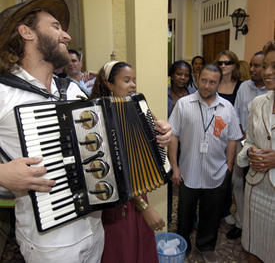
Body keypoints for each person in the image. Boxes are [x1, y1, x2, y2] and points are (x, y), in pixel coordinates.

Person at [0, 0, 104, 262]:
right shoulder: (3, 93)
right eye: (56, 26)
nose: (66, 36)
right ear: (26, 32)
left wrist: (150, 134)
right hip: (50, 244)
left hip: (95, 228)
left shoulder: (71, 90)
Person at [91, 60, 171, 263]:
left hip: (137, 189)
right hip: (116, 199)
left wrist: (163, 135)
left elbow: (155, 145)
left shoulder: (138, 106)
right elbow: (113, 170)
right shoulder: (97, 117)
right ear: (109, 84)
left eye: (134, 80)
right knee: (122, 249)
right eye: (126, 80)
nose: (133, 85)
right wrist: (144, 207)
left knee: (140, 245)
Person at [168, 64, 242, 263]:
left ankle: (206, 245)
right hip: (187, 172)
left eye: (212, 82)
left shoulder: (227, 108)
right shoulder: (183, 104)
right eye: (204, 80)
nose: (207, 86)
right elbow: (173, 136)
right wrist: (174, 167)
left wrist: (229, 165)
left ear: (219, 83)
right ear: (198, 78)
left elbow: (233, 138)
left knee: (211, 214)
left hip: (216, 172)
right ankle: (183, 244)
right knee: (184, 215)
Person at [237, 41, 275, 263]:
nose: (267, 72)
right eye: (266, 66)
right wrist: (250, 152)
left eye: (274, 67)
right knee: (254, 247)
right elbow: (249, 139)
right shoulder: (257, 103)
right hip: (256, 189)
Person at [227, 51, 267, 239]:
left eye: (257, 66)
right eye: (251, 65)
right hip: (242, 144)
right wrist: (240, 135)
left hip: (264, 151)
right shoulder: (244, 87)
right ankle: (241, 223)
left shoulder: (270, 91)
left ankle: (256, 226)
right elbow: (235, 113)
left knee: (257, 187)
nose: (251, 69)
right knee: (237, 183)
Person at [215, 50, 242, 225]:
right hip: (213, 136)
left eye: (227, 63)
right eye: (220, 63)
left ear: (235, 66)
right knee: (212, 174)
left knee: (228, 174)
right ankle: (211, 209)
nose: (223, 66)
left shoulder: (241, 86)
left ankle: (225, 210)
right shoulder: (212, 83)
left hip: (232, 137)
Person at [167, 60, 195, 225]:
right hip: (168, 143)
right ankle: (168, 216)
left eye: (186, 75)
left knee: (189, 184)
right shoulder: (164, 94)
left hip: (188, 145)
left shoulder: (194, 94)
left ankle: (190, 219)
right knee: (169, 182)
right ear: (171, 74)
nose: (183, 78)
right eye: (179, 74)